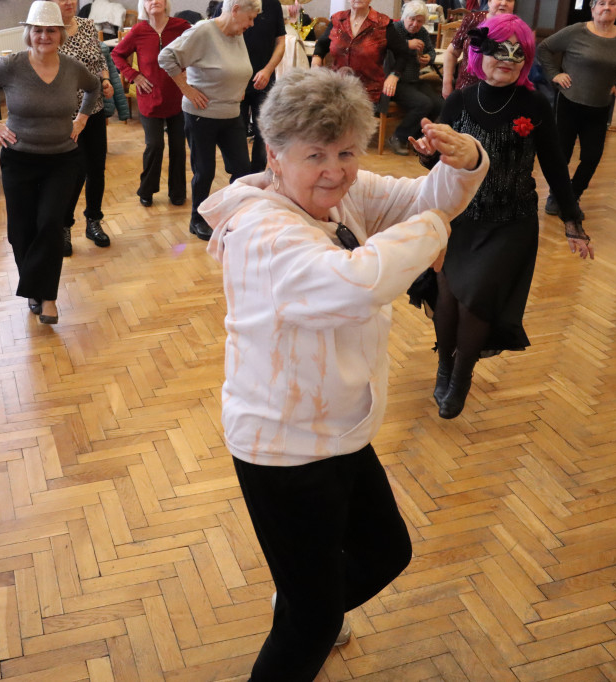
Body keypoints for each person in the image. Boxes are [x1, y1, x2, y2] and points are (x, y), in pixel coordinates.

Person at [200, 66, 489, 681]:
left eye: (346, 152)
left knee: (386, 551)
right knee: (311, 627)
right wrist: (433, 230)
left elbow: (418, 201)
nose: (336, 169)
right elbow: (359, 283)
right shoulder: (262, 229)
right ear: (275, 156)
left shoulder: (339, 196)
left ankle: (305, 603)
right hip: (283, 447)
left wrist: (462, 166)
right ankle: (307, 611)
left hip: (336, 430)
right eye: (316, 155)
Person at [411, 14, 594, 419]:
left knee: (477, 300)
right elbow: (438, 162)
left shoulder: (535, 104)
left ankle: (461, 377)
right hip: (458, 216)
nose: (507, 60)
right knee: (448, 295)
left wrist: (572, 221)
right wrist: (427, 153)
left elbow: (555, 167)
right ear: (479, 53)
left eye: (517, 53)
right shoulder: (459, 100)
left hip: (510, 220)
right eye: (498, 51)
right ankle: (444, 366)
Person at [0, 1, 98, 324]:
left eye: (51, 30)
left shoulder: (72, 67)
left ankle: (47, 297)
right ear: (29, 33)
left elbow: (92, 89)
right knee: (20, 231)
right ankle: (34, 291)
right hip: (19, 160)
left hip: (62, 159)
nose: (44, 36)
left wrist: (81, 119)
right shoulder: (12, 66)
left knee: (50, 223)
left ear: (60, 34)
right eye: (38, 30)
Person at [158, 0, 260, 241]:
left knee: (242, 170)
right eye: (251, 17)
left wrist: (238, 86)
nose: (252, 24)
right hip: (201, 115)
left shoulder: (236, 32)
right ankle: (197, 219)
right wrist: (187, 90)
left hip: (232, 113)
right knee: (204, 171)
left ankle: (231, 215)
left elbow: (234, 68)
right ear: (235, 10)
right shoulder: (203, 31)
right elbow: (166, 57)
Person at [537, 0, 616, 216]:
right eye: (601, 3)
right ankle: (556, 196)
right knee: (561, 155)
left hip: (600, 107)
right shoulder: (576, 31)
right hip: (568, 103)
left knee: (592, 156)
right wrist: (555, 74)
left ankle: (572, 197)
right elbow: (544, 48)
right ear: (592, 8)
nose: (606, 7)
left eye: (612, 3)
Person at [111, 0, 191, 207]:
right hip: (150, 97)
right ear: (144, 6)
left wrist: (191, 71)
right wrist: (133, 75)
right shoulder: (139, 30)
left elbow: (199, 47)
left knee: (178, 147)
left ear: (166, 3)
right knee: (154, 145)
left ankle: (178, 192)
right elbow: (117, 54)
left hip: (178, 96)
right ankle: (146, 189)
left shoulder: (181, 27)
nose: (154, 1)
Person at [54, 0, 113, 255]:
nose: (68, 2)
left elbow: (99, 60)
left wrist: (107, 81)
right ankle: (64, 227)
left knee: (96, 169)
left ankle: (93, 221)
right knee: (73, 173)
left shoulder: (88, 25)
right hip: (66, 115)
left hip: (94, 109)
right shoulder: (48, 31)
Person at [211, 0, 286, 172]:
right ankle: (238, 177)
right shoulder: (227, 4)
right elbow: (218, 41)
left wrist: (267, 70)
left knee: (263, 132)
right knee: (236, 133)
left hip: (264, 80)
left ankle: (257, 174)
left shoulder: (273, 4)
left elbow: (280, 43)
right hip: (235, 82)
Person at [310, 0, 411, 110]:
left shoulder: (382, 23)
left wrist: (393, 76)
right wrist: (316, 61)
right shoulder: (337, 19)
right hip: (336, 89)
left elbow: (403, 53)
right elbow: (321, 44)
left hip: (367, 94)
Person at [384, 1, 442, 155]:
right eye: (412, 19)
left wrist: (428, 57)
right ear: (404, 17)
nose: (415, 24)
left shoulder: (422, 32)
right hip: (395, 81)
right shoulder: (394, 30)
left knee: (439, 104)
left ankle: (416, 136)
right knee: (423, 104)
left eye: (420, 21)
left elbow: (432, 51)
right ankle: (398, 137)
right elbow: (384, 47)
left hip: (414, 79)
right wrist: (407, 44)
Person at [441, 0, 516, 98]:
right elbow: (452, 52)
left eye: (509, 0)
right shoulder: (473, 19)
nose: (504, 3)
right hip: (466, 89)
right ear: (489, 1)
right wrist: (447, 83)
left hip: (499, 93)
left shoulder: (517, 28)